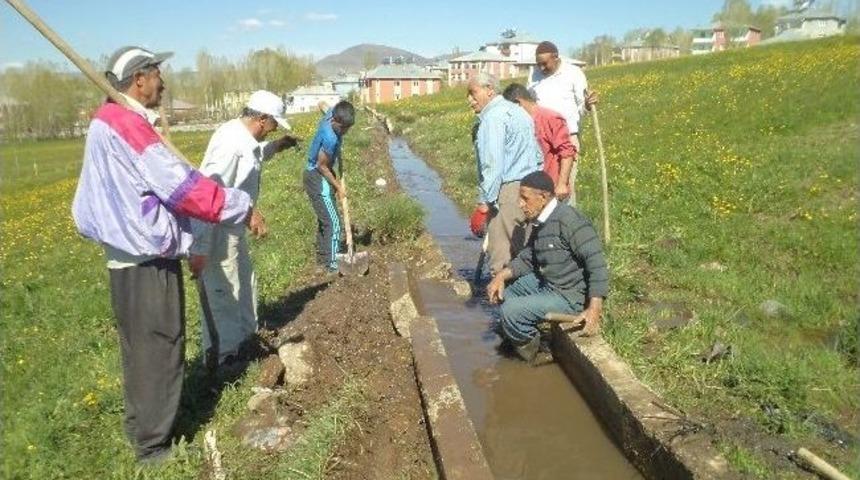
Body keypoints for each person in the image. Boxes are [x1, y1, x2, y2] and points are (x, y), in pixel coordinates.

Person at [71, 46, 263, 462]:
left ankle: (140, 427)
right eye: (157, 73)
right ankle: (154, 448)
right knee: (160, 346)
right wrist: (240, 207)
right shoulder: (129, 127)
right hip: (145, 255)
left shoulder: (107, 119)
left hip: (125, 253)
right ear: (139, 79)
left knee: (139, 346)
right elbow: (185, 191)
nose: (163, 81)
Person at [188, 90, 299, 371]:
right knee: (224, 292)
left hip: (233, 228)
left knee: (245, 283)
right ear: (262, 119)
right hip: (216, 233)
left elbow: (257, 154)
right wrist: (200, 248)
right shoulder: (230, 144)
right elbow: (208, 194)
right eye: (274, 124)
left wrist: (277, 145)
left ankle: (246, 338)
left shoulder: (246, 138)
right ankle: (224, 358)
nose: (274, 129)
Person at [486, 170, 608, 362]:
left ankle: (536, 353)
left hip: (567, 294)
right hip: (546, 282)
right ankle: (517, 336)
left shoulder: (569, 221)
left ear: (543, 197)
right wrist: (500, 276)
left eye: (525, 198)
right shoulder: (541, 221)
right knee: (504, 292)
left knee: (511, 311)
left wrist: (594, 309)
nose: (520, 204)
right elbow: (529, 257)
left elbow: (597, 263)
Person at [467, 72, 542, 276]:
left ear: (490, 90)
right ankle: (527, 292)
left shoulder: (493, 118)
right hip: (531, 187)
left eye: (473, 93)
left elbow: (492, 164)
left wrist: (484, 203)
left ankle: (503, 299)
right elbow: (537, 155)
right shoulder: (519, 113)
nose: (469, 100)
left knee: (501, 252)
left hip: (508, 191)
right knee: (524, 243)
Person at [528, 41, 598, 205]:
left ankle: (567, 224)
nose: (542, 68)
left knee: (564, 185)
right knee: (541, 184)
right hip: (540, 138)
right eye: (538, 65)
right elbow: (529, 103)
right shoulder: (534, 74)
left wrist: (588, 104)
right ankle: (543, 225)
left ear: (556, 57)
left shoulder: (573, 73)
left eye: (545, 64)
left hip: (566, 137)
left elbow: (582, 105)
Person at [304, 100, 355, 274]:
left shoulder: (332, 114)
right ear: (334, 121)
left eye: (348, 129)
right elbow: (322, 166)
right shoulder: (330, 138)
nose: (345, 132)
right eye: (343, 129)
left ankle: (323, 259)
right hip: (317, 175)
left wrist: (325, 108)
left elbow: (321, 104)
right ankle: (332, 265)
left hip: (320, 173)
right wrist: (338, 186)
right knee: (333, 222)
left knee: (325, 219)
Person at [502, 83, 577, 201]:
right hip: (532, 188)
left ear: (518, 103)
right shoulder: (522, 122)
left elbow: (567, 152)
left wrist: (562, 184)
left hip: (551, 188)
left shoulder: (550, 118)